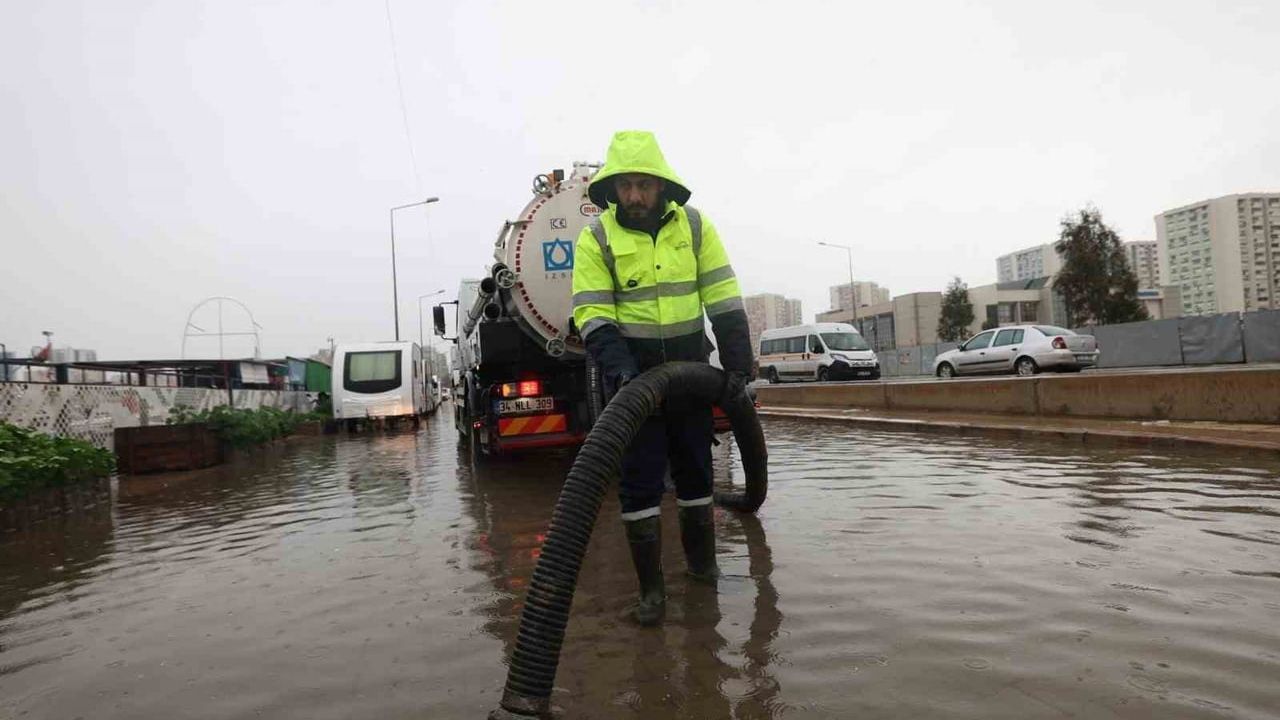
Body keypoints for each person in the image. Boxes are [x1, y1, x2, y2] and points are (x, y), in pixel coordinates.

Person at [572, 130, 753, 626]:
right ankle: (652, 593)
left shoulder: (694, 227)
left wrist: (737, 367)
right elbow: (592, 314)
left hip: (693, 378)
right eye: (625, 185)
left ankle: (703, 570)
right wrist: (625, 373)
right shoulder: (598, 237)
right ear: (612, 189)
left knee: (697, 472)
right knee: (640, 482)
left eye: (642, 185)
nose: (633, 196)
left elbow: (723, 297)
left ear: (660, 185)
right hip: (633, 385)